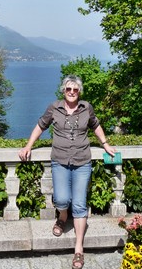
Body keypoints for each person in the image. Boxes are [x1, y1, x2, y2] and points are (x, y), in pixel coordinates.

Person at [18, 75, 116, 269]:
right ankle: (62, 217)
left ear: (80, 92)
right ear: (63, 91)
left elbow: (95, 126)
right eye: (68, 89)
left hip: (82, 161)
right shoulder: (54, 107)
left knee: (79, 204)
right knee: (62, 200)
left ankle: (78, 250)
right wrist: (28, 146)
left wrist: (106, 145)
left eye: (75, 90)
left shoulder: (86, 108)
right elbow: (41, 126)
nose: (72, 92)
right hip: (60, 161)